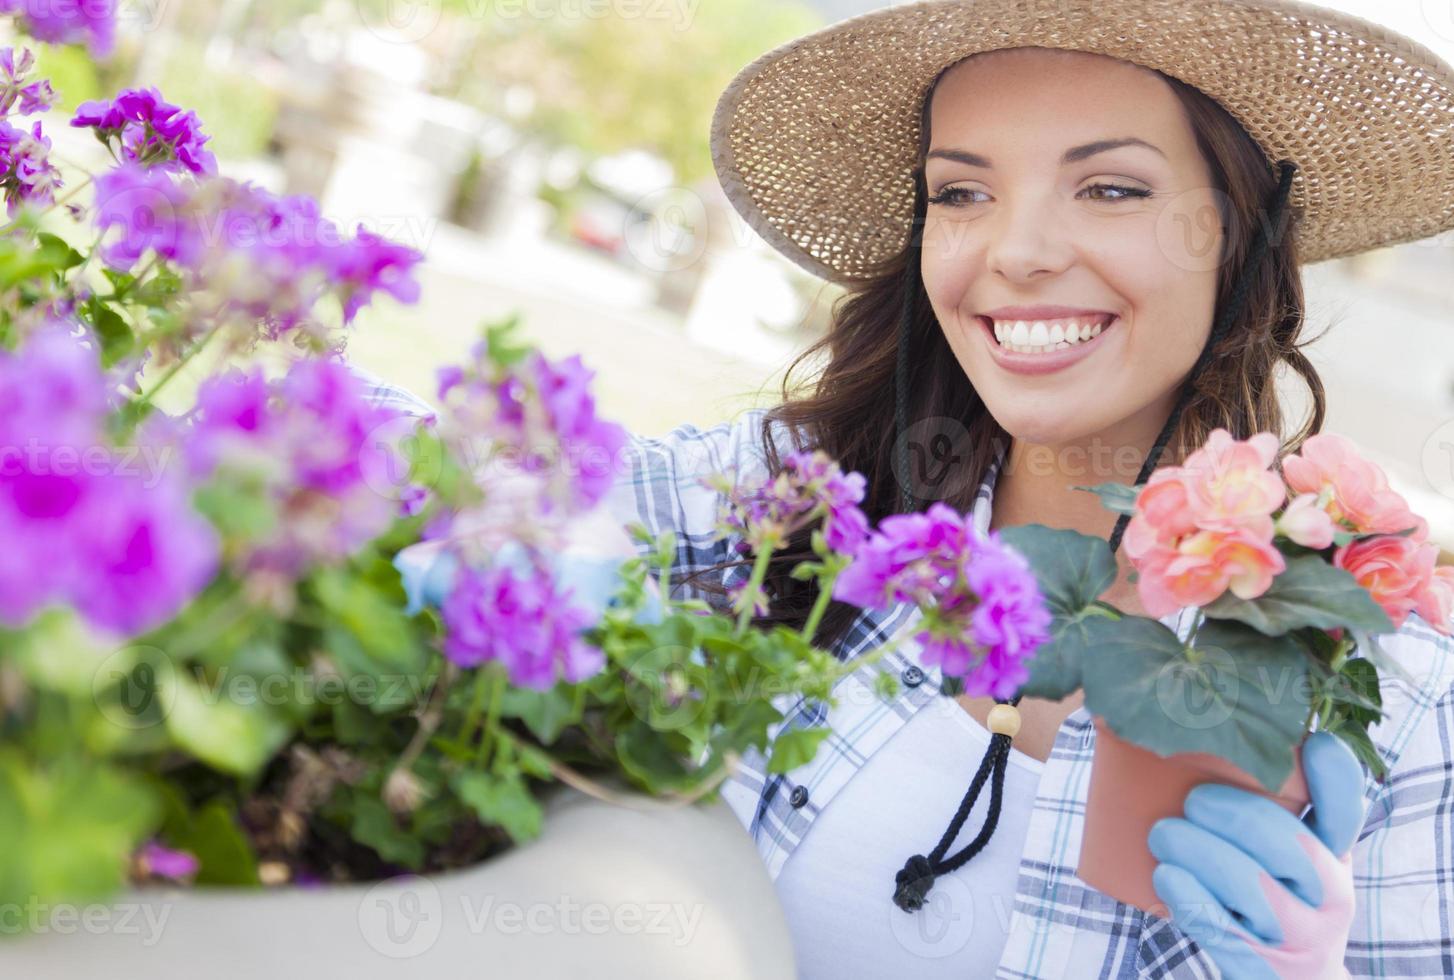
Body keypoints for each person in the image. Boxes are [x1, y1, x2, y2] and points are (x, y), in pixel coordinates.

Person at [371, 1, 1454, 976]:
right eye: (960, 190)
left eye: (1111, 187)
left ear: (1243, 233)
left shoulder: (1392, 693)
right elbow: (430, 471)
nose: (1015, 251)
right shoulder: (799, 504)